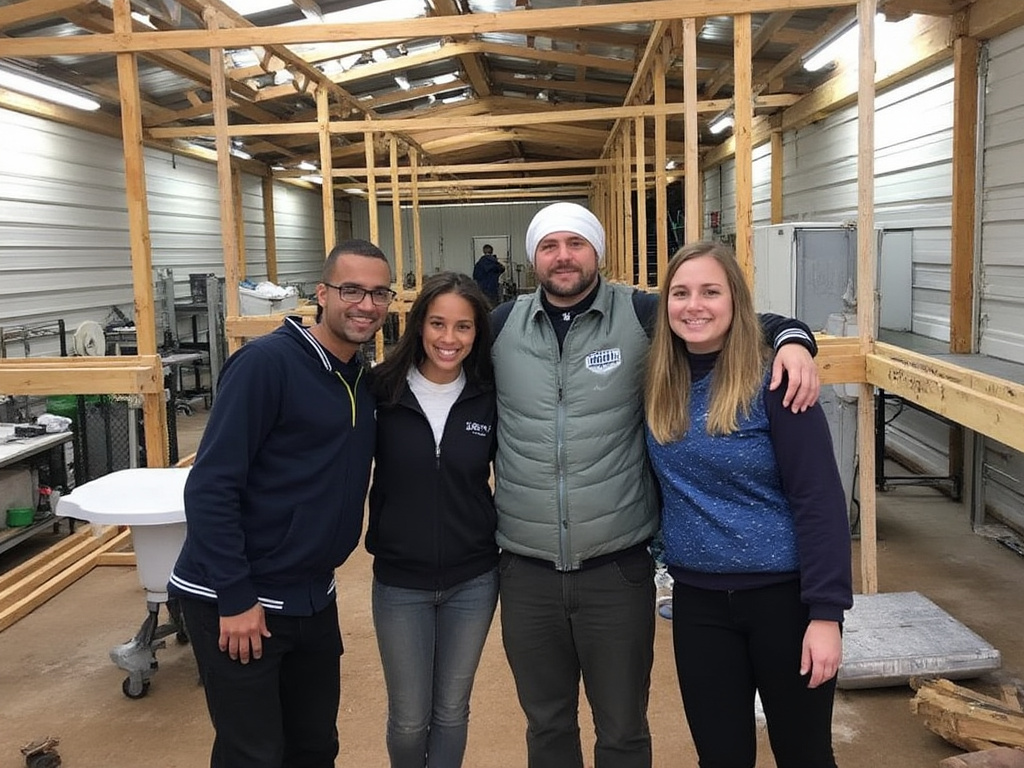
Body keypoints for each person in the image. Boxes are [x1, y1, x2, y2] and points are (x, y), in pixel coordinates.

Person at [489, 201, 822, 768]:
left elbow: (720, 313)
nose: (563, 256)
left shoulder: (640, 314)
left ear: (597, 251)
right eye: (549, 246)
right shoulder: (501, 325)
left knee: (621, 728)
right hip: (527, 566)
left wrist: (793, 337)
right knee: (546, 726)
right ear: (533, 259)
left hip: (615, 566)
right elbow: (436, 342)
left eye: (576, 244)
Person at [169, 239, 394, 768]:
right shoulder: (266, 365)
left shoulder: (359, 378)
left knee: (314, 746)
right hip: (242, 598)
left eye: (378, 293)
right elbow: (210, 486)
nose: (366, 304)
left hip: (313, 594)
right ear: (322, 293)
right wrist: (235, 595)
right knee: (254, 753)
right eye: (351, 290)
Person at [644, 241, 853, 768]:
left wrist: (827, 615)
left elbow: (819, 500)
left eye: (711, 292)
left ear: (736, 301)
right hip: (697, 603)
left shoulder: (776, 380)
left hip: (784, 602)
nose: (695, 305)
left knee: (804, 754)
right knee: (720, 756)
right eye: (681, 293)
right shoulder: (657, 382)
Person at [364, 272, 499, 768]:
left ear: (477, 333)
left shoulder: (489, 395)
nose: (449, 339)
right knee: (408, 719)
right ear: (419, 324)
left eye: (463, 327)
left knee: (450, 712)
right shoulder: (381, 391)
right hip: (401, 583)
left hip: (474, 579)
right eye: (438, 323)